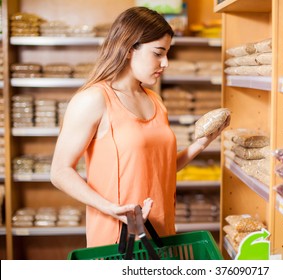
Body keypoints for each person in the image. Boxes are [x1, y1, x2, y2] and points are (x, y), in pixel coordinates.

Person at [50, 6, 230, 248]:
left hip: (162, 231)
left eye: (167, 53)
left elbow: (159, 169)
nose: (165, 63)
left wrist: (201, 144)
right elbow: (60, 172)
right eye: (158, 53)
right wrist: (111, 209)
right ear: (128, 48)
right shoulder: (94, 99)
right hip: (117, 235)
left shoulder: (155, 101)